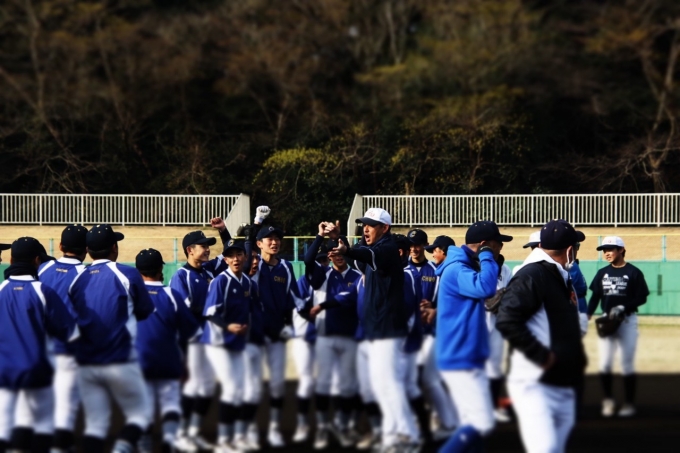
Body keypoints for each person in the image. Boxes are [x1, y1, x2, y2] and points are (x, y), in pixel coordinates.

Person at [496, 219, 587, 453]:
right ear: (570, 250)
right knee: (544, 448)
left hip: (560, 381)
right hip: (535, 381)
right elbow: (507, 319)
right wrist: (540, 355)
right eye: (576, 247)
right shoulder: (532, 274)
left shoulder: (557, 273)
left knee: (555, 447)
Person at [329, 208, 417, 451]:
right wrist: (340, 239)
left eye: (371, 225)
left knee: (389, 384)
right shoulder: (375, 251)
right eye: (364, 224)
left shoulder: (387, 248)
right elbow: (358, 257)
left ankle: (407, 436)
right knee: (382, 386)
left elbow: (364, 254)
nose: (365, 229)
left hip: (387, 327)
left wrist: (346, 248)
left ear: (385, 228)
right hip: (378, 328)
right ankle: (393, 436)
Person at [68, 224, 156, 453]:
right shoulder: (127, 273)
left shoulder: (77, 279)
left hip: (86, 363)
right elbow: (145, 310)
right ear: (114, 248)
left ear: (88, 250)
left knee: (96, 426)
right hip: (120, 359)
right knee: (141, 414)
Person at [0, 237, 78, 453]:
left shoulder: (1, 289)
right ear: (36, 261)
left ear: (11, 260)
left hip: (4, 371)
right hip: (36, 369)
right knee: (42, 424)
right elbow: (70, 332)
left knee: (6, 427)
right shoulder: (43, 291)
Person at [435, 221, 506, 452]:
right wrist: (486, 256)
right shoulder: (457, 269)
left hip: (466, 355)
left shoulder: (463, 266)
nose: (500, 249)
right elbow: (486, 288)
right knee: (481, 423)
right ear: (484, 245)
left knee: (472, 423)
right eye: (496, 244)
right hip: (460, 357)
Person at [134, 249, 201, 453]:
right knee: (171, 404)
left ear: (138, 271)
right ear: (160, 269)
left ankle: (145, 446)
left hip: (139, 361)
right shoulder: (171, 295)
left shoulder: (131, 296)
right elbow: (192, 333)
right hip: (168, 360)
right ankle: (169, 441)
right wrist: (186, 364)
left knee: (143, 408)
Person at [252, 214, 307, 448]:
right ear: (259, 243)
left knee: (277, 385)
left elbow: (293, 298)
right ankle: (251, 429)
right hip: (254, 333)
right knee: (251, 385)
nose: (274, 242)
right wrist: (256, 223)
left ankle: (274, 428)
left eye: (277, 239)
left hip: (276, 332)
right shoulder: (252, 264)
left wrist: (292, 324)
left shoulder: (285, 266)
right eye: (269, 239)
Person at [305, 223, 361, 449]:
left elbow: (349, 298)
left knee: (347, 387)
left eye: (339, 250)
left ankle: (342, 427)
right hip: (325, 337)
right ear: (328, 256)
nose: (336, 255)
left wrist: (341, 239)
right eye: (332, 252)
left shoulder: (358, 275)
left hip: (350, 336)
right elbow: (308, 259)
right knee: (323, 384)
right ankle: (322, 427)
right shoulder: (322, 275)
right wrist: (319, 235)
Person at [34, 225, 88, 453]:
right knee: (66, 404)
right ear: (86, 249)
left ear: (60, 246)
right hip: (68, 348)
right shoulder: (86, 273)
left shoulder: (43, 267)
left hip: (39, 347)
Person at [201, 240, 258, 452]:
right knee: (232, 389)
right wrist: (228, 326)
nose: (235, 259)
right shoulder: (220, 281)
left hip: (236, 342)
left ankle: (239, 436)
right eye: (230, 255)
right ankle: (224, 441)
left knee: (246, 391)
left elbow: (252, 311)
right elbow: (210, 313)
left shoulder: (248, 283)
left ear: (245, 257)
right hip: (217, 342)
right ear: (225, 259)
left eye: (238, 254)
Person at [587, 236, 649, 418]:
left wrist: (624, 307)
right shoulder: (602, 273)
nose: (607, 253)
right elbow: (595, 297)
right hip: (607, 320)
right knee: (605, 364)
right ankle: (608, 400)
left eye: (611, 249)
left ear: (621, 250)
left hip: (627, 321)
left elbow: (642, 297)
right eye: (604, 250)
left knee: (626, 364)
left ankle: (629, 403)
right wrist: (587, 314)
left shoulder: (633, 272)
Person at [170, 229, 219, 452]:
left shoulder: (208, 271)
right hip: (192, 341)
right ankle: (179, 434)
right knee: (191, 387)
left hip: (209, 339)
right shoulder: (181, 276)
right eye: (203, 246)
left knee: (207, 388)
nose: (208, 249)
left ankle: (193, 432)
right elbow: (183, 310)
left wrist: (225, 231)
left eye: (208, 245)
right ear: (190, 250)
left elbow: (232, 254)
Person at [407, 230, 458, 440]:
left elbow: (441, 300)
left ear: (425, 245)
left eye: (418, 244)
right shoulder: (402, 269)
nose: (414, 248)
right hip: (409, 334)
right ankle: (417, 419)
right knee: (413, 379)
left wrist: (432, 306)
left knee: (429, 379)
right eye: (411, 244)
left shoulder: (435, 270)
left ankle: (440, 418)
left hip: (429, 333)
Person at [484, 233, 514, 424]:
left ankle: (493, 406)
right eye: (495, 243)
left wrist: (502, 300)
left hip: (496, 324)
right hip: (476, 323)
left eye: (499, 244)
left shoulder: (506, 270)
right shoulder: (473, 266)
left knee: (494, 367)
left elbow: (510, 295)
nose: (498, 246)